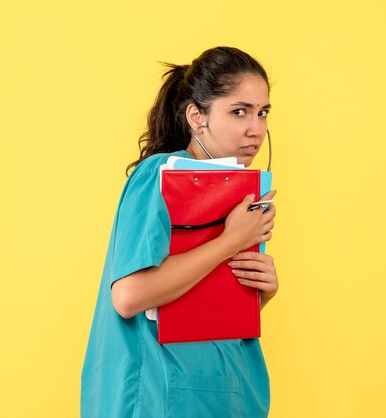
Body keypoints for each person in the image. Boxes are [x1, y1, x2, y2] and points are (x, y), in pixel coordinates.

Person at [81, 46, 279, 418]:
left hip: (230, 393)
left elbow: (202, 306)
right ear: (196, 117)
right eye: (239, 112)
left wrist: (259, 292)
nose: (257, 129)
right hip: (162, 396)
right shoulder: (158, 175)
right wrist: (231, 241)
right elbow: (129, 296)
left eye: (263, 112)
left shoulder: (239, 190)